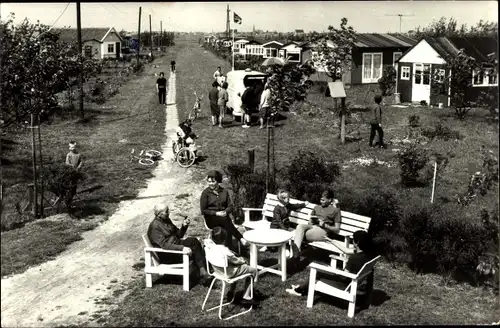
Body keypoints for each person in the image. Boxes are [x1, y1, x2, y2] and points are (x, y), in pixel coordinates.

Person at [285, 230, 377, 311]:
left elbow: (344, 275)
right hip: (352, 281)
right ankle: (301, 287)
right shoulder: (368, 254)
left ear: (357, 243)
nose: (352, 242)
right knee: (324, 272)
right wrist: (331, 241)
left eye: (353, 240)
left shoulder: (354, 259)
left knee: (319, 272)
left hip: (345, 283)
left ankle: (299, 291)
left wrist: (332, 270)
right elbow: (346, 250)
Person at [147, 204, 211, 285]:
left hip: (175, 245)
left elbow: (179, 235)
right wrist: (182, 248)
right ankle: (201, 273)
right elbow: (164, 245)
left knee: (193, 241)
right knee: (193, 247)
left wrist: (184, 226)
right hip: (168, 255)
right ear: (159, 214)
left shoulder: (166, 220)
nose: (169, 212)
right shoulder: (154, 227)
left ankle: (202, 271)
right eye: (167, 211)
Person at [204, 226, 258, 307]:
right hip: (229, 273)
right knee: (253, 271)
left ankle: (231, 292)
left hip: (217, 271)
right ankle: (246, 296)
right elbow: (235, 260)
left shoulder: (209, 247)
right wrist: (243, 261)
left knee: (235, 266)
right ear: (225, 239)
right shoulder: (225, 251)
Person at [200, 170, 248, 250]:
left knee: (226, 224)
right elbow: (204, 210)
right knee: (226, 221)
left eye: (213, 181)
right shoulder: (205, 193)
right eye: (209, 182)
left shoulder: (224, 192)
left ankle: (228, 249)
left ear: (218, 181)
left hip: (224, 217)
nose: (210, 184)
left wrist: (226, 211)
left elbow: (230, 206)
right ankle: (239, 239)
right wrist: (216, 213)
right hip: (211, 219)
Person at [292, 189, 340, 258]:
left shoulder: (335, 211)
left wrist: (325, 225)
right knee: (300, 226)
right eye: (320, 200)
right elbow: (310, 220)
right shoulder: (316, 207)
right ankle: (297, 253)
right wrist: (311, 220)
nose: (321, 202)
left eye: (323, 200)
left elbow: (337, 229)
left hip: (323, 231)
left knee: (299, 234)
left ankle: (296, 254)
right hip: (313, 227)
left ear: (329, 200)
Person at [64, 141, 83, 207]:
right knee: (70, 186)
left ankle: (70, 200)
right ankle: (68, 200)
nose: (73, 149)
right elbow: (66, 163)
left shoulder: (78, 154)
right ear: (70, 148)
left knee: (74, 186)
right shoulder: (69, 155)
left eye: (74, 148)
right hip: (70, 172)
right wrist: (71, 165)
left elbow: (81, 162)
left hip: (76, 172)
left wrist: (79, 167)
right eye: (72, 148)